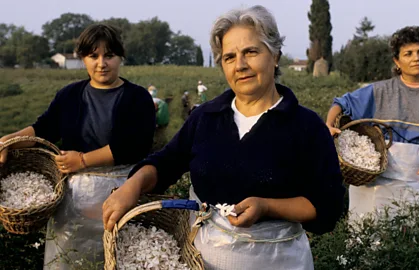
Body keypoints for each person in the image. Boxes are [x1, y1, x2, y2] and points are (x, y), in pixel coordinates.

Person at [103, 5, 345, 270]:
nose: (240, 65)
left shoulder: (306, 126)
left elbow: (326, 206)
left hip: (278, 259)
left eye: (251, 52)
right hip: (205, 258)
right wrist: (133, 185)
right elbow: (167, 162)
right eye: (229, 57)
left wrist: (266, 206)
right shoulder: (206, 117)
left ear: (275, 55)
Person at [0, 24, 155, 269]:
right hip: (74, 200)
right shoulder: (70, 95)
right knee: (68, 259)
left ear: (121, 58)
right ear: (83, 58)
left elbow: (134, 146)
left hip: (120, 195)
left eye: (109, 55)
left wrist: (82, 160)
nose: (101, 63)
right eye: (93, 56)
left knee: (118, 256)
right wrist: (8, 140)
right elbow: (43, 128)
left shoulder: (137, 98)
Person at [325, 26, 419, 220]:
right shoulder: (379, 91)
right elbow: (341, 103)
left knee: (409, 240)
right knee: (367, 238)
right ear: (397, 61)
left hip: (415, 182)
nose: (417, 58)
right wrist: (328, 124)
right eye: (409, 54)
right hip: (373, 184)